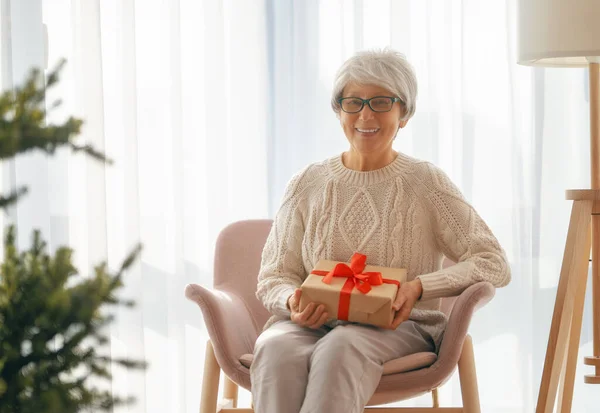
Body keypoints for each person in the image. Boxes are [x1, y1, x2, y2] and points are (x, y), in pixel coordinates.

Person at [250, 48, 511, 413]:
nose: (365, 115)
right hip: (310, 324)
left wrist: (419, 287)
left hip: (399, 329)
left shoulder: (426, 183)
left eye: (381, 102)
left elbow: (493, 262)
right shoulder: (307, 183)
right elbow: (274, 275)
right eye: (353, 102)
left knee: (341, 347)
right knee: (275, 347)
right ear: (338, 110)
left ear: (403, 113)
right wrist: (293, 301)